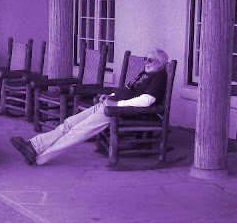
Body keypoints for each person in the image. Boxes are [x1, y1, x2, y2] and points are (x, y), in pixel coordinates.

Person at [10, 48, 169, 166]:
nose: (146, 62)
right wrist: (111, 97)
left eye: (150, 60)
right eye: (145, 59)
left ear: (161, 64)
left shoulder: (159, 77)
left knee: (77, 131)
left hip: (120, 112)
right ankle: (34, 146)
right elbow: (127, 91)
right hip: (110, 105)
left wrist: (116, 104)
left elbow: (146, 101)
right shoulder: (144, 74)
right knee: (70, 123)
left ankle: (39, 157)